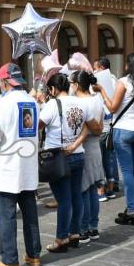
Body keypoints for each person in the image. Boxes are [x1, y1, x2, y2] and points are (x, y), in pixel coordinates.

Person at [0, 63, 41, 266]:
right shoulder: (32, 101)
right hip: (28, 165)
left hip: (8, 166)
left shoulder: (4, 103)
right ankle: (34, 255)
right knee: (30, 213)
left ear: (4, 82)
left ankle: (9, 259)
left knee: (6, 215)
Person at [95, 53, 134, 225]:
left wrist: (102, 92)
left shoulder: (124, 82)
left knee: (127, 171)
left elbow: (113, 108)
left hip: (124, 130)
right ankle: (133, 207)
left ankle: (130, 210)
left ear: (129, 66)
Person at [39, 74, 90, 252]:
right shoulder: (80, 102)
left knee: (63, 200)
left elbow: (37, 125)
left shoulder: (52, 104)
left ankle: (61, 238)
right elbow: (89, 126)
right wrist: (75, 144)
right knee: (76, 195)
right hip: (78, 154)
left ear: (52, 89)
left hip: (57, 157)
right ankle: (74, 233)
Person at [71, 70, 105, 242]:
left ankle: (84, 228)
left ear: (76, 85)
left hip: (83, 147)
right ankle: (93, 227)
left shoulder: (78, 103)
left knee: (83, 189)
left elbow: (83, 128)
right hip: (95, 147)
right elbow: (100, 125)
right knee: (92, 189)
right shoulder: (97, 99)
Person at [93, 58, 119, 201]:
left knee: (99, 160)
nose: (94, 71)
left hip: (102, 126)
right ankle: (110, 188)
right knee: (108, 159)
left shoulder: (100, 84)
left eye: (95, 68)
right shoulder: (116, 81)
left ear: (101, 68)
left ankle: (101, 190)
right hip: (111, 125)